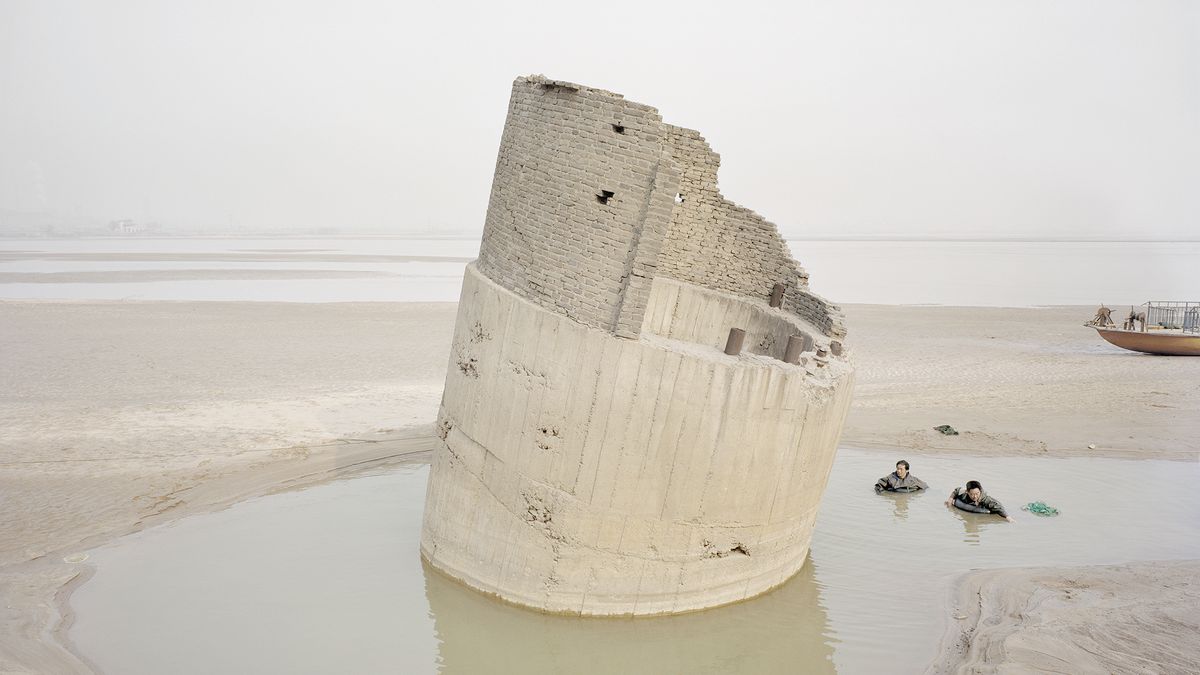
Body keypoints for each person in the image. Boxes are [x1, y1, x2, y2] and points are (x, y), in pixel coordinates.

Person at [945, 480, 1014, 522]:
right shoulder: (963, 492)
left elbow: (998, 507)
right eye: (972, 494)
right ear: (967, 492)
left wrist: (1008, 518)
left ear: (980, 491)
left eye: (977, 493)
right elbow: (956, 490)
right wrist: (950, 500)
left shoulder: (984, 499)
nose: (975, 496)